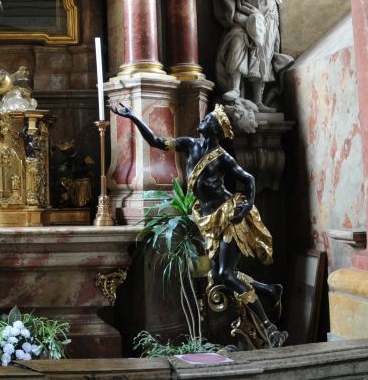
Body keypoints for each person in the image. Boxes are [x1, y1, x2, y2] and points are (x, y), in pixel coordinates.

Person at [109, 101, 286, 347]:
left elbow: (249, 179)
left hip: (228, 216)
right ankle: (268, 290)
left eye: (208, 119)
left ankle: (270, 328)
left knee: (225, 274)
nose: (203, 120)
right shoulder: (190, 144)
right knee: (219, 274)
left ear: (215, 129)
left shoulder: (222, 157)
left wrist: (246, 206)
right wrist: (134, 117)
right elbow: (157, 142)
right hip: (209, 220)